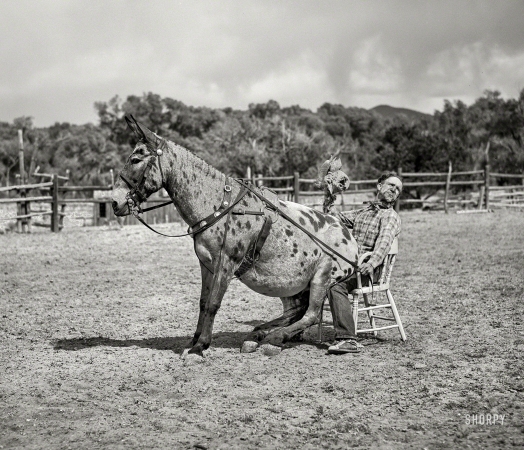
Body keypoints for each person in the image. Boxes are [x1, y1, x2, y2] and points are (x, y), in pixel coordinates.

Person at [327, 172, 403, 355]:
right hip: (353, 267)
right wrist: (329, 197)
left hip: (369, 272)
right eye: (391, 185)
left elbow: (383, 244)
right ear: (379, 186)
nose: (395, 189)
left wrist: (372, 263)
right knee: (315, 275)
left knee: (335, 287)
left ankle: (347, 339)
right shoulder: (366, 212)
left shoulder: (390, 217)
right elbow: (337, 217)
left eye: (398, 188)